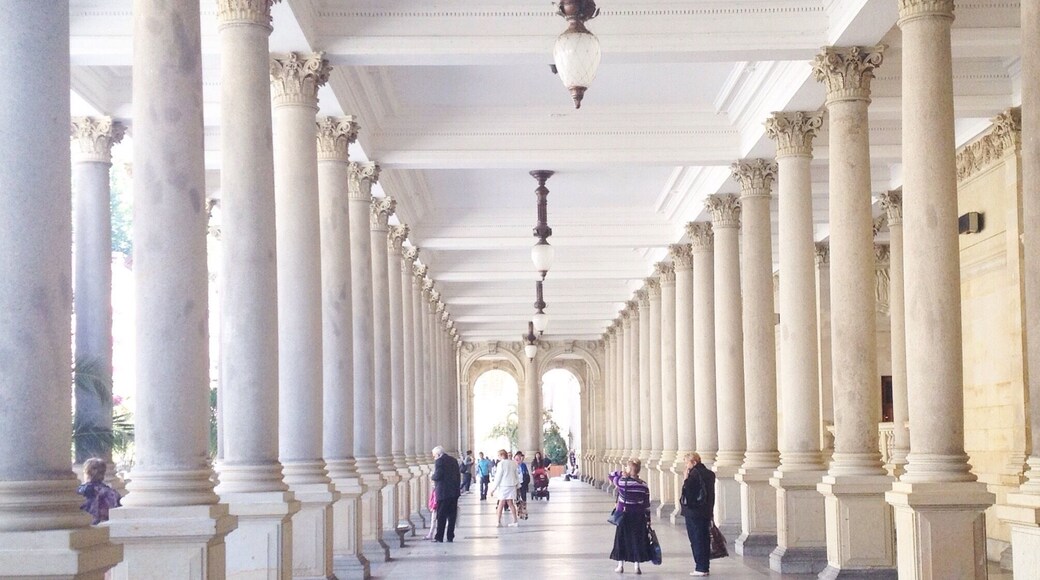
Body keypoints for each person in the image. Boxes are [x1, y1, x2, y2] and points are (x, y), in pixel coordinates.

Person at [609, 459, 652, 575]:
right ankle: (637, 566)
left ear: (629, 469)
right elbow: (646, 504)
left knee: (621, 539)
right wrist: (648, 520)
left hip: (625, 515)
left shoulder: (623, 483)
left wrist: (621, 473)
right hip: (638, 516)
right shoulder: (643, 485)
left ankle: (620, 565)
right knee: (636, 540)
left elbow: (611, 476)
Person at [680, 452, 716, 577]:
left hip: (694, 512)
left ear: (694, 462)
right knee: (704, 538)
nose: (686, 466)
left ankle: (700, 567)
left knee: (696, 539)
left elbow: (688, 492)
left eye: (687, 463)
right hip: (706, 511)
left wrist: (685, 479)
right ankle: (704, 566)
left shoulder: (694, 474)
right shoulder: (710, 474)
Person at [430, 445, 462, 542]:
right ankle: (450, 536)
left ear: (438, 454)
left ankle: (439, 536)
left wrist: (432, 476)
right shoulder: (453, 460)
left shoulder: (439, 461)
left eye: (434, 456)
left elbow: (438, 475)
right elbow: (458, 475)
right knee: (452, 515)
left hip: (443, 493)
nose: (434, 458)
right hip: (454, 492)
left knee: (441, 515)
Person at [77, 457, 121, 525]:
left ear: (86, 472)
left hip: (86, 529)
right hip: (108, 530)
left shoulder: (79, 492)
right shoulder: (113, 494)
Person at [488, 449, 521, 527]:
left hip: (504, 486)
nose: (498, 457)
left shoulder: (501, 464)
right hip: (512, 485)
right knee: (511, 503)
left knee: (501, 504)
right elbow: (516, 475)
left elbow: (498, 477)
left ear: (502, 455)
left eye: (499, 455)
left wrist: (493, 489)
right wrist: (518, 485)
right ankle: (515, 521)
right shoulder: (513, 463)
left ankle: (498, 522)